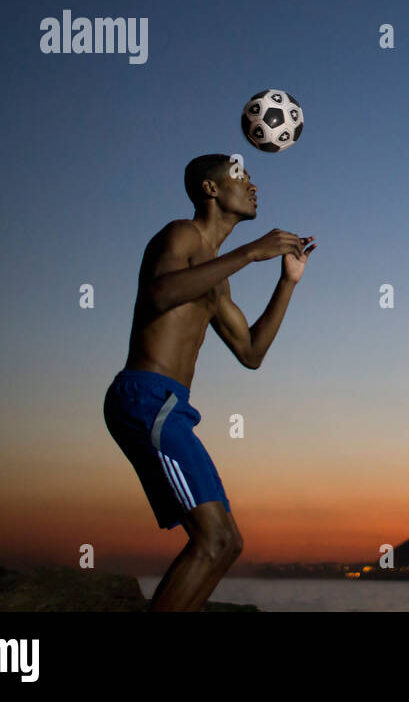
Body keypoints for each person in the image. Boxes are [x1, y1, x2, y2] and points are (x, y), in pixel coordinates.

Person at [103, 153, 315, 611]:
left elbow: (252, 354)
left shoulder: (218, 282)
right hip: (145, 396)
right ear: (210, 189)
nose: (253, 185)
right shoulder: (182, 233)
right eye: (242, 176)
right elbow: (161, 292)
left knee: (227, 543)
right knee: (214, 538)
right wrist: (251, 253)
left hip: (170, 406)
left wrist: (288, 282)